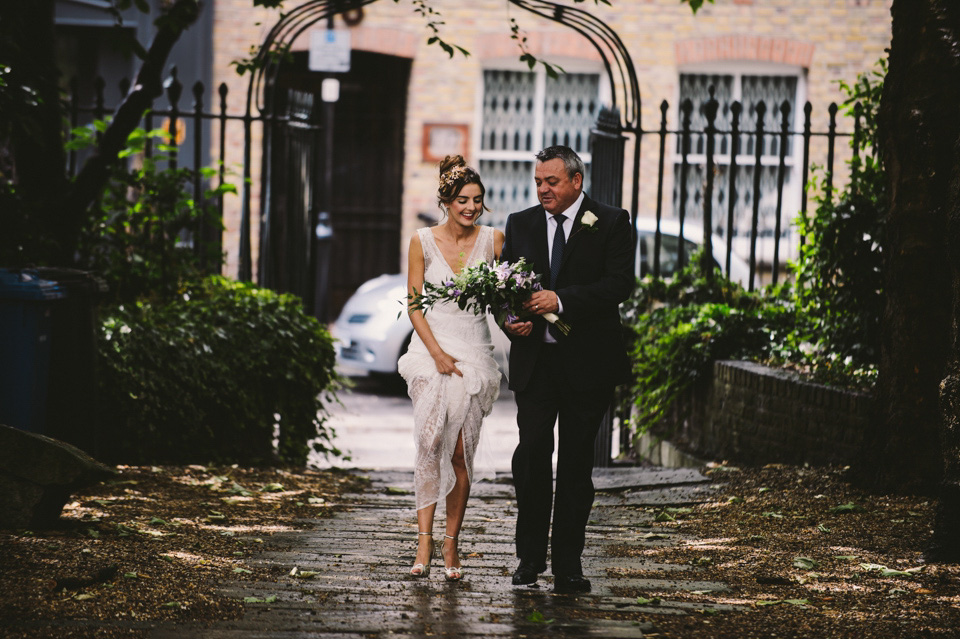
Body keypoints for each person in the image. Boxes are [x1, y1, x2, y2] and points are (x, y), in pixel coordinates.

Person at [501, 145, 634, 594]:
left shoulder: (612, 222)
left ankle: (568, 566)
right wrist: (510, 319)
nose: (542, 190)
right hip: (535, 365)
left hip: (587, 367)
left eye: (551, 182)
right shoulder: (519, 224)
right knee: (531, 457)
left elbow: (619, 285)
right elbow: (506, 289)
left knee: (576, 466)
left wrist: (560, 299)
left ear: (576, 181)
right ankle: (529, 559)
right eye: (538, 181)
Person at [397, 155, 505, 581]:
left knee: (461, 452)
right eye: (463, 199)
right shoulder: (421, 241)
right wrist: (438, 354)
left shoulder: (494, 242)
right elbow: (414, 304)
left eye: (477, 200)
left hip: (475, 351)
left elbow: (506, 297)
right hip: (430, 349)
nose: (471, 207)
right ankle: (423, 539)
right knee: (430, 440)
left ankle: (451, 543)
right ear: (447, 200)